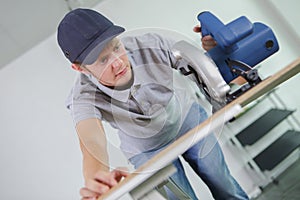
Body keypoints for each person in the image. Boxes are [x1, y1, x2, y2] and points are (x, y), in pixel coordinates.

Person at [57, 8, 249, 200]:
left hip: (188, 120)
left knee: (224, 184)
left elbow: (210, 70)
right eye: (103, 60)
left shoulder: (151, 45)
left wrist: (217, 53)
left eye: (116, 47)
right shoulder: (82, 96)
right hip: (146, 150)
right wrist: (96, 181)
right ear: (79, 68)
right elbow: (91, 140)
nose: (118, 63)